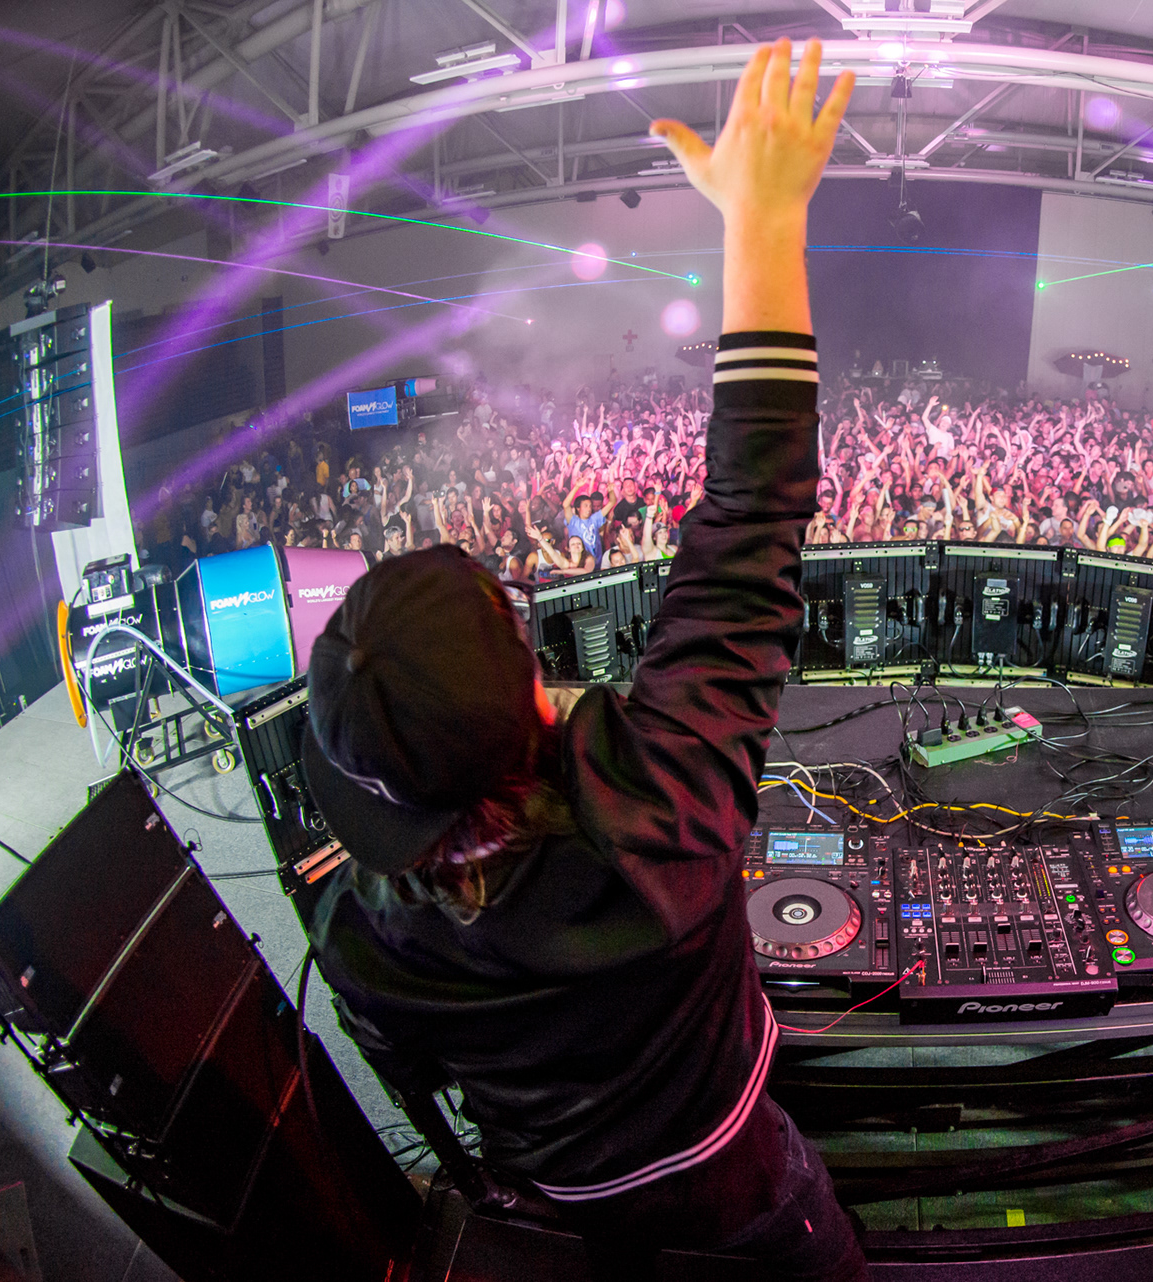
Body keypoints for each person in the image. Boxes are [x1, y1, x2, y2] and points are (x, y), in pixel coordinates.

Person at [300, 40, 864, 1280]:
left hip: (565, 1208)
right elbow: (753, 512)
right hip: (741, 1182)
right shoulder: (662, 802)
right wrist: (764, 219)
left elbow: (412, 1075)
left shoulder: (356, 938)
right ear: (535, 688)